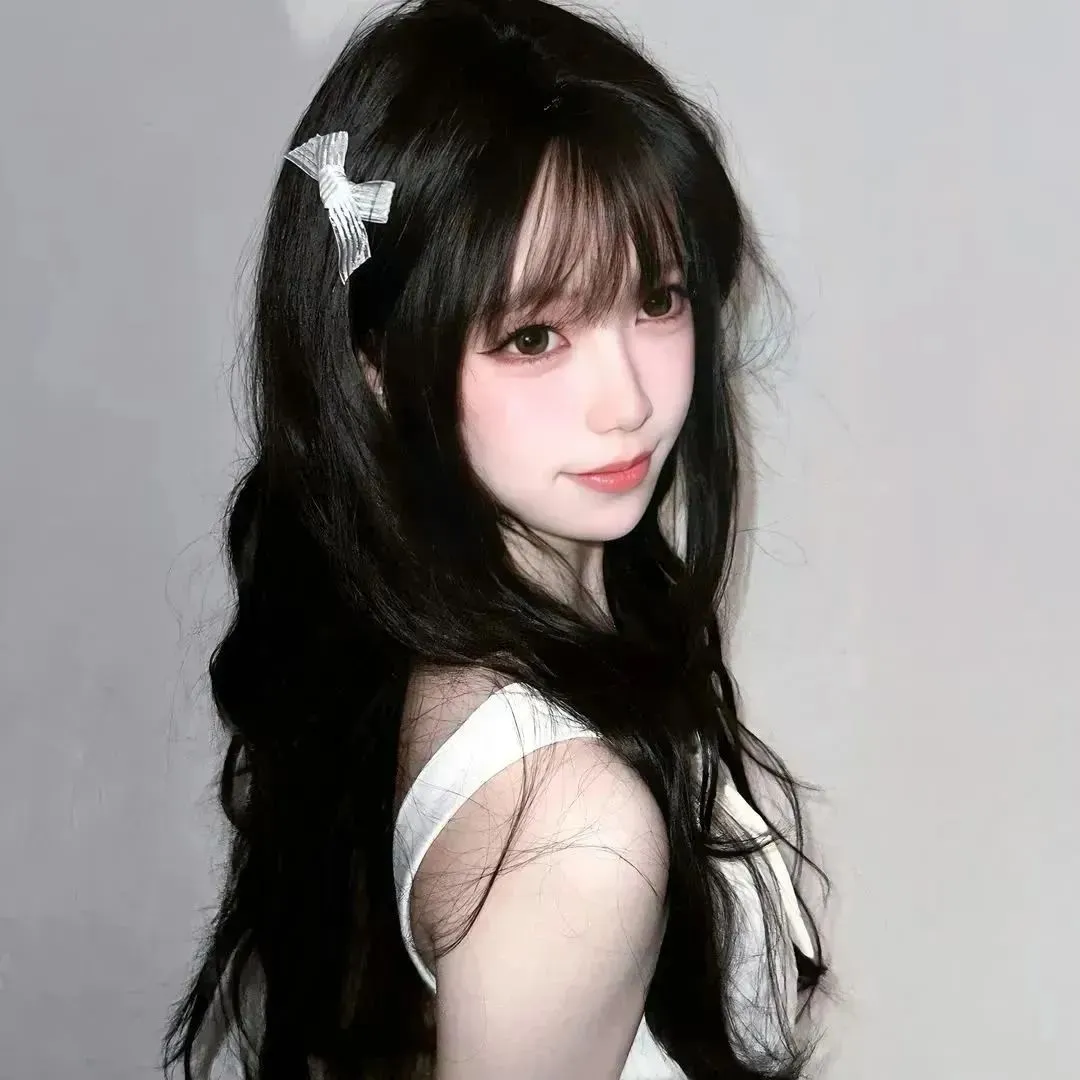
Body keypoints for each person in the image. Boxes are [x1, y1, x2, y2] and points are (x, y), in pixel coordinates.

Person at [163, 1, 829, 1077]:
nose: (627, 402)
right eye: (534, 336)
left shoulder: (399, 642)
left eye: (658, 299)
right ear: (377, 366)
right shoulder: (574, 830)